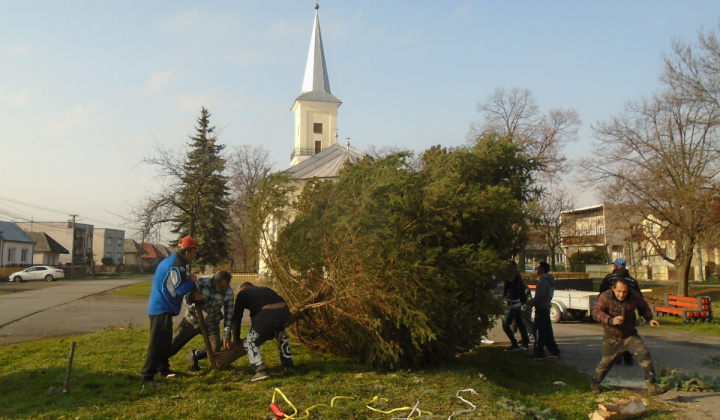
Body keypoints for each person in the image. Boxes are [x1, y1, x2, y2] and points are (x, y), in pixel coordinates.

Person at [590, 276, 666, 396]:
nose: (622, 295)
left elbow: (643, 306)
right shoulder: (605, 297)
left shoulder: (634, 296)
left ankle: (652, 386)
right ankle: (595, 382)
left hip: (629, 335)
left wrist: (649, 319)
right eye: (619, 291)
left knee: (644, 353)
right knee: (606, 362)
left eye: (624, 292)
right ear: (614, 289)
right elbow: (595, 312)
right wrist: (611, 320)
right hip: (612, 336)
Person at [140, 235, 199, 386]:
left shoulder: (173, 261)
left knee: (165, 342)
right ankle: (147, 377)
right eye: (194, 252)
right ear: (187, 252)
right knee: (157, 342)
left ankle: (164, 369)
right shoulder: (177, 265)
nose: (194, 255)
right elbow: (180, 290)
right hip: (161, 308)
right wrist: (192, 280)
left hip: (162, 307)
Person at [166, 270, 235, 371]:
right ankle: (158, 363)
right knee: (174, 343)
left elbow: (229, 314)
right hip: (192, 320)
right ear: (215, 281)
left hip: (212, 323)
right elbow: (185, 298)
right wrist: (192, 297)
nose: (224, 289)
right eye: (222, 287)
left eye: (226, 286)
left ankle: (194, 355)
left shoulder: (228, 292)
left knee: (214, 349)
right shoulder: (201, 282)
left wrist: (226, 335)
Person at [231, 282, 294, 382]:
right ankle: (289, 365)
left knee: (249, 342)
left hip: (266, 315)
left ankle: (260, 369)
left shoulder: (242, 293)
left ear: (242, 288)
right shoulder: (265, 289)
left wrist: (236, 339)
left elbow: (237, 318)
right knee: (281, 336)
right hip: (285, 313)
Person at [599, 258, 641, 366]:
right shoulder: (631, 280)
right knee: (627, 334)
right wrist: (641, 314)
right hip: (628, 313)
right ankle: (627, 357)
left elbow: (601, 293)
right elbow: (639, 297)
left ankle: (616, 356)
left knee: (612, 334)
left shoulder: (609, 278)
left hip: (612, 312)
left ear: (615, 267)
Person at [525, 261, 561, 361]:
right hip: (546, 308)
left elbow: (539, 296)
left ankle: (539, 353)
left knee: (538, 331)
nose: (536, 269)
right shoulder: (549, 280)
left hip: (541, 309)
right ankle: (554, 351)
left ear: (543, 269)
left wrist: (530, 304)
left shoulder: (543, 281)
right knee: (547, 331)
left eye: (539, 267)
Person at [501, 261, 530, 351]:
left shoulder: (509, 278)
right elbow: (522, 290)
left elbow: (505, 291)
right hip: (517, 303)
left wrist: (502, 298)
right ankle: (525, 342)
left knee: (506, 325)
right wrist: (523, 301)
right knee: (520, 322)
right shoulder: (518, 277)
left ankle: (514, 344)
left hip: (511, 303)